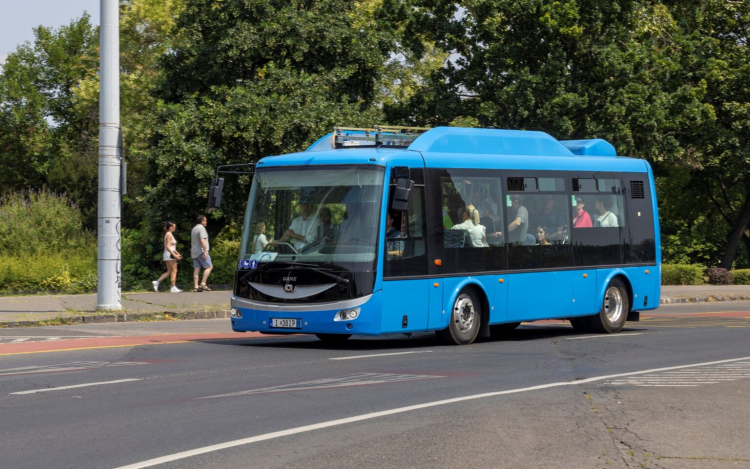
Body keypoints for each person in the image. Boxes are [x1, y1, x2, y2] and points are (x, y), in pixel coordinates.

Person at [153, 221, 183, 293]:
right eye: (174, 227)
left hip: (168, 254)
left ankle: (156, 282)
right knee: (174, 271)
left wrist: (177, 253)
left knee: (169, 271)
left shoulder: (168, 234)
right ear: (170, 227)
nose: (175, 228)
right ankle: (173, 287)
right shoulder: (169, 234)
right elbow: (168, 246)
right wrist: (175, 255)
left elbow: (172, 247)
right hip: (170, 255)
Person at [191, 214, 213, 292]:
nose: (206, 221)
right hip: (201, 251)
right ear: (202, 221)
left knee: (197, 269)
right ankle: (203, 283)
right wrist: (205, 251)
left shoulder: (194, 229)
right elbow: (202, 240)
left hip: (194, 252)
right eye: (205, 220)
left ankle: (196, 287)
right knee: (209, 267)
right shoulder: (201, 228)